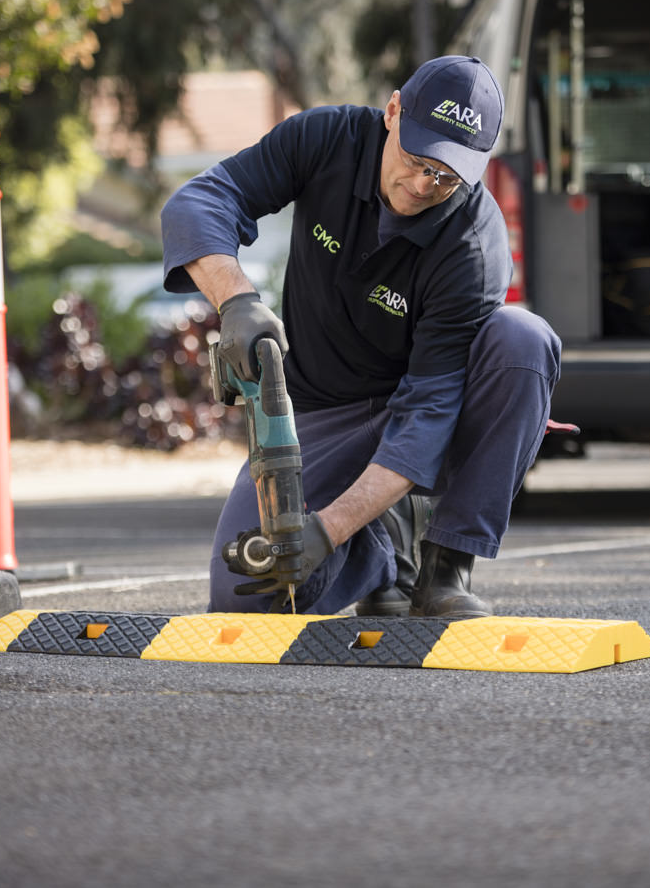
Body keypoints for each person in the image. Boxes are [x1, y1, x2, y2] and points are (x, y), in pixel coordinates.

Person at [160, 55, 561, 617]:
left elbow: (427, 415)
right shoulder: (326, 138)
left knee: (522, 340)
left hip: (434, 416)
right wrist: (237, 302)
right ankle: (383, 554)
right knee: (245, 597)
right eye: (419, 160)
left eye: (447, 175)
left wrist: (326, 530)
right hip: (325, 406)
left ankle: (445, 565)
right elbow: (198, 202)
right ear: (393, 111)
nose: (424, 184)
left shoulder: (473, 244)